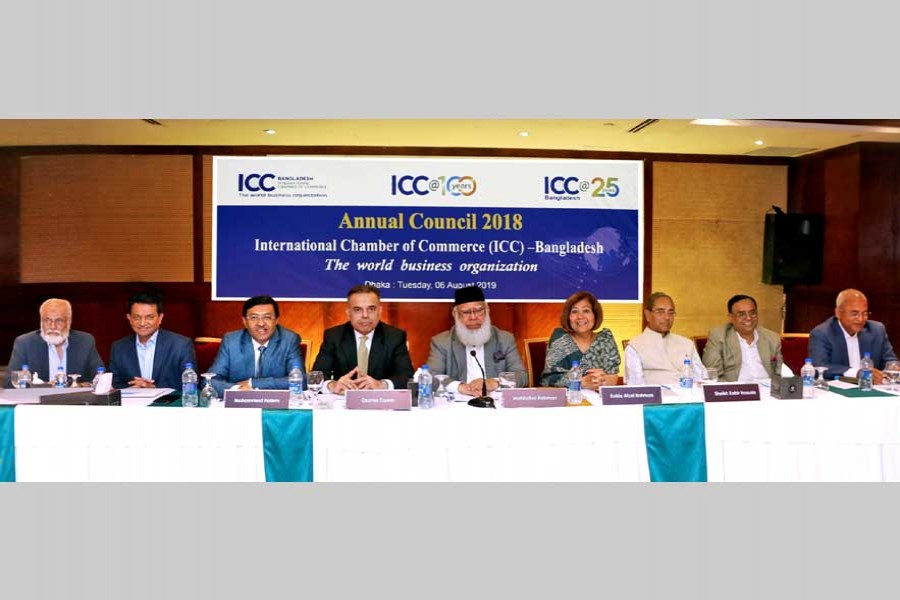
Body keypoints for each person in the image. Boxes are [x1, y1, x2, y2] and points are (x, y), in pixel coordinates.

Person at [426, 285, 527, 396]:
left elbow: (521, 376)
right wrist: (460, 387)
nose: (473, 317)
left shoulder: (505, 339)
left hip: (495, 400)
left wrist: (494, 383)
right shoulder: (441, 342)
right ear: (456, 314)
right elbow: (432, 376)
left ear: (487, 310)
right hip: (458, 402)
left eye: (478, 310)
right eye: (466, 312)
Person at [312, 284, 414, 393]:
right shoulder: (334, 336)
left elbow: (407, 376)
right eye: (357, 309)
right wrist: (332, 385)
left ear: (379, 311)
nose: (365, 315)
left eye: (371, 309)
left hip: (381, 403)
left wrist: (382, 385)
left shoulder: (395, 337)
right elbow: (317, 375)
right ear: (348, 313)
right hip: (343, 402)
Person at [209, 295, 304, 395]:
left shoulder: (289, 340)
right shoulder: (231, 341)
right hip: (239, 404)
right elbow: (210, 380)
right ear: (245, 322)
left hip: (275, 405)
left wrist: (253, 384)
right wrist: (237, 390)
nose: (261, 323)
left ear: (276, 320)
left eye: (267, 317)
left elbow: (300, 380)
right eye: (254, 318)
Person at [5, 298, 104, 387]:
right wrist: (45, 386)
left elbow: (101, 378)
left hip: (76, 404)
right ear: (41, 321)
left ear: (69, 321)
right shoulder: (24, 343)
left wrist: (80, 386)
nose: (52, 326)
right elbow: (9, 382)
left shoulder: (85, 341)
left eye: (59, 321)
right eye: (47, 320)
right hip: (37, 405)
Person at [108, 290, 196, 390]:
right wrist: (132, 388)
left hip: (167, 404)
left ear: (160, 318)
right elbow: (114, 385)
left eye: (149, 317)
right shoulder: (119, 347)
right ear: (129, 318)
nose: (142, 323)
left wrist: (154, 388)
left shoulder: (180, 345)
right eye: (136, 317)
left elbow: (191, 385)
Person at [808, 288, 897, 383]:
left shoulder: (877, 330)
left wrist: (894, 367)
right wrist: (856, 373)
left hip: (872, 388)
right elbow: (819, 367)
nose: (861, 319)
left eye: (865, 313)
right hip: (838, 390)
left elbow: (890, 360)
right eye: (854, 314)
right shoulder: (822, 333)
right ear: (838, 313)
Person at [540, 290, 620, 389]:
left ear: (595, 315)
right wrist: (580, 382)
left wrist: (601, 380)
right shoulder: (560, 339)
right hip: (568, 399)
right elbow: (549, 380)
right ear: (568, 317)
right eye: (574, 311)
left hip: (598, 399)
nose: (580, 316)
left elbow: (613, 376)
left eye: (586, 311)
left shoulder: (605, 339)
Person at [624, 292, 706, 385]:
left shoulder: (686, 344)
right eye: (660, 312)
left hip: (689, 396)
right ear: (647, 314)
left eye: (671, 312)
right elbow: (636, 387)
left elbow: (701, 378)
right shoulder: (635, 347)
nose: (667, 317)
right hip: (656, 397)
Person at [702, 294, 783, 382]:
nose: (748, 318)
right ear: (731, 317)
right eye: (741, 314)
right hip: (735, 390)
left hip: (767, 390)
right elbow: (713, 374)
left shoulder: (771, 337)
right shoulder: (719, 336)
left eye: (752, 313)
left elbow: (780, 372)